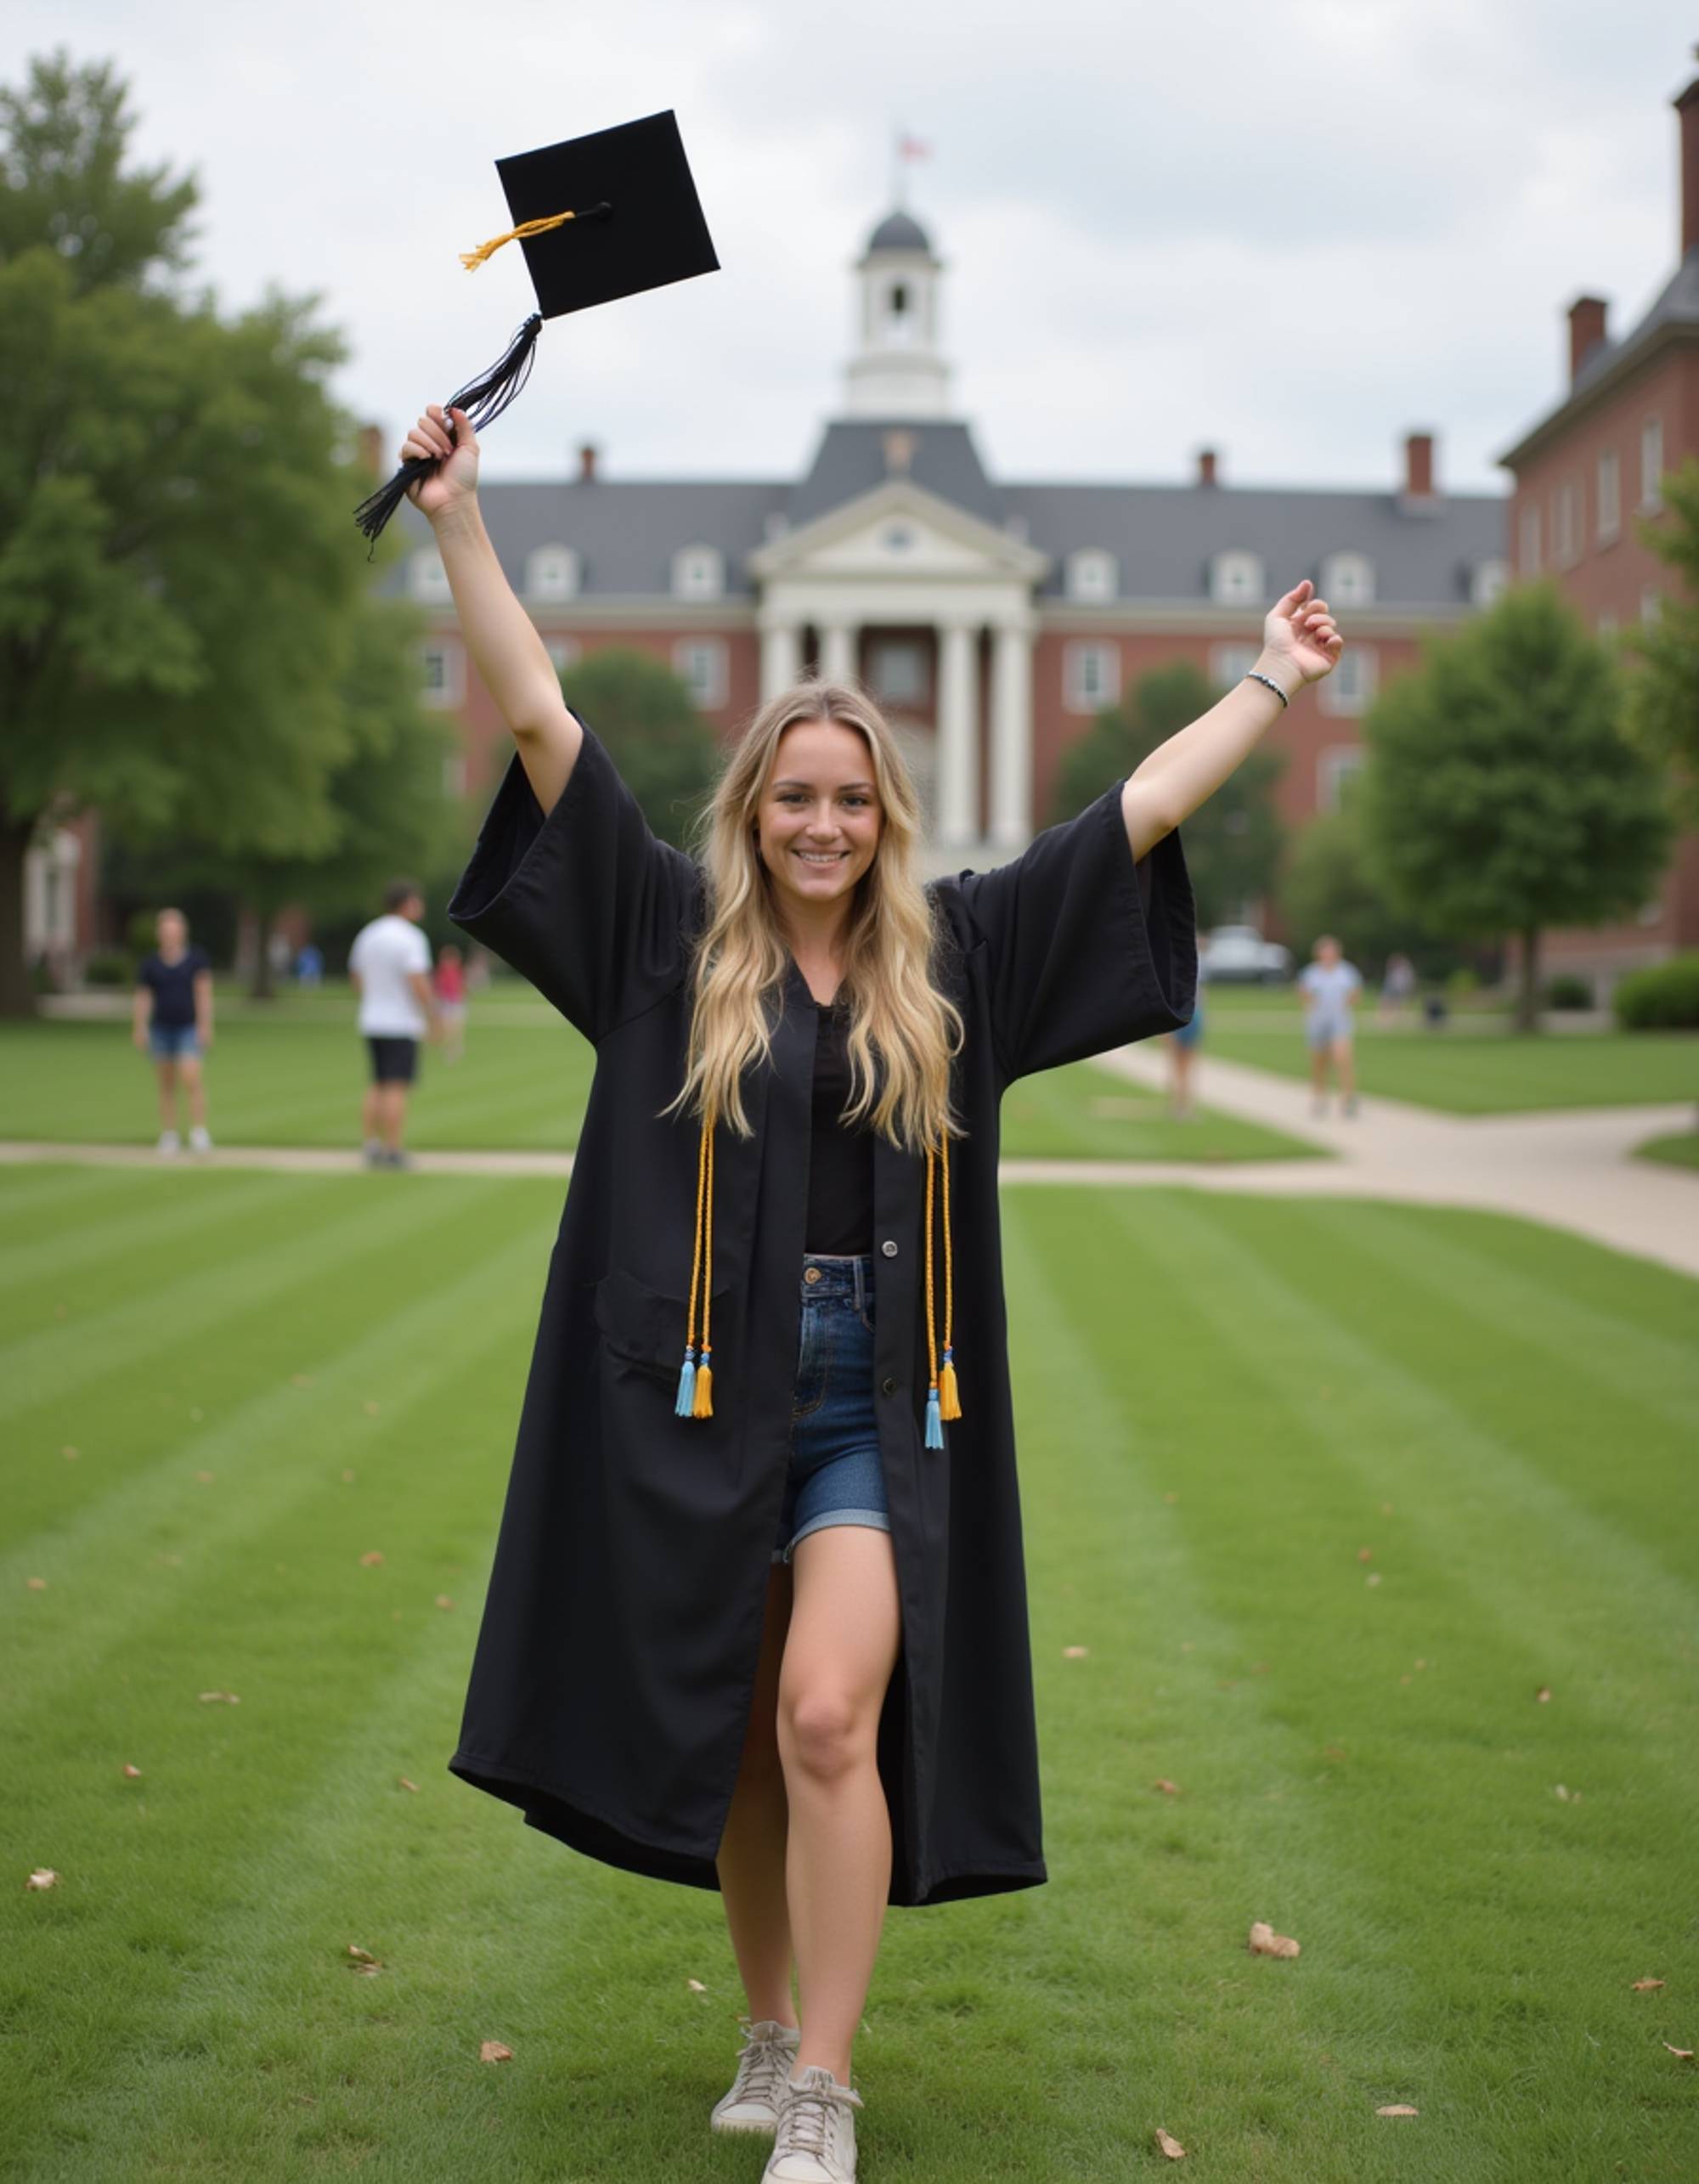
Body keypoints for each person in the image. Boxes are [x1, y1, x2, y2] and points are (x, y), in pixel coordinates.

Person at [403, 398, 1343, 2184]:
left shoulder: (960, 953)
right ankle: (766, 2028)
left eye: (849, 799)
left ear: (882, 814)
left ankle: (822, 2084)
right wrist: (459, 516)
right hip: (696, 1387)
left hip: (870, 1394)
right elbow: (538, 717)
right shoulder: (662, 933)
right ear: (752, 807)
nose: (820, 823)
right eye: (794, 795)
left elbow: (1125, 810)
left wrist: (1272, 681)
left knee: (829, 1710)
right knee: (744, 1728)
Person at [347, 881, 437, 1169]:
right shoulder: (411, 938)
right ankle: (393, 1148)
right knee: (396, 1086)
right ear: (408, 903)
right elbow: (417, 980)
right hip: (400, 1021)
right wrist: (432, 1014)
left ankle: (371, 1144)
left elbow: (356, 977)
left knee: (377, 1082)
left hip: (372, 1018)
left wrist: (373, 997)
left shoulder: (368, 934)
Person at [132, 908, 214, 1156]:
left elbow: (203, 993)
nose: (170, 935)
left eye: (174, 930)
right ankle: (169, 1134)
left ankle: (199, 1131)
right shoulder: (151, 965)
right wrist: (139, 1026)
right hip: (161, 1028)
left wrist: (205, 1025)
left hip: (188, 1027)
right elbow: (143, 997)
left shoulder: (196, 959)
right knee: (166, 1084)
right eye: (166, 930)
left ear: (182, 932)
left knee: (191, 1079)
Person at [1298, 934, 1363, 1118]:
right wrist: (1311, 1002)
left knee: (1343, 1058)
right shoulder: (1311, 973)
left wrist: (1346, 1002)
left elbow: (1356, 994)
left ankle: (1348, 1098)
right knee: (1319, 1062)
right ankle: (1320, 1097)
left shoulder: (1346, 972)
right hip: (1318, 1021)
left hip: (1340, 1021)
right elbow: (1303, 993)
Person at [1165, 951, 1207, 1120]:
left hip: (1184, 1017)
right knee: (1184, 1067)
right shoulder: (1194, 968)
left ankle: (1180, 1105)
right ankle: (1182, 1105)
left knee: (1179, 1067)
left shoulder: (1173, 970)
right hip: (1191, 1016)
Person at [432, 943, 468, 1062]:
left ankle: (454, 1047)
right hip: (447, 1001)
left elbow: (460, 985)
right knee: (448, 1026)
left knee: (455, 1026)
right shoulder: (444, 970)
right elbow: (440, 986)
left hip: (455, 1001)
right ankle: (450, 1048)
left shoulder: (456, 970)